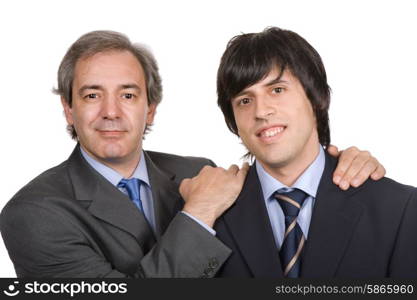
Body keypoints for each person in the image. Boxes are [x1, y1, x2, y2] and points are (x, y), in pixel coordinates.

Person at [1, 30, 385, 278]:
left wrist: (335, 165)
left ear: (150, 108)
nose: (112, 112)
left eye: (129, 95)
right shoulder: (33, 215)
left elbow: (276, 165)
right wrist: (198, 213)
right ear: (68, 109)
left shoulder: (197, 170)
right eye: (91, 95)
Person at [183, 27, 417, 278]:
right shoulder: (206, 215)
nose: (261, 112)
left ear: (316, 97)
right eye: (245, 100)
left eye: (277, 90)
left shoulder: (399, 209)